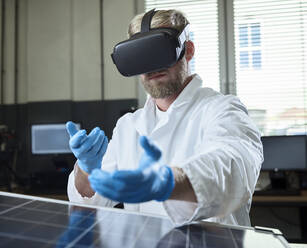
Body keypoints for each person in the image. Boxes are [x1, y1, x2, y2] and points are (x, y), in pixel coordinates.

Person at [66, 9, 263, 227]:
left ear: (187, 50)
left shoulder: (223, 110)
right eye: (141, 56)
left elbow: (232, 167)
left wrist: (167, 182)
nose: (152, 67)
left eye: (159, 52)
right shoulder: (128, 126)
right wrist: (87, 169)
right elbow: (88, 202)